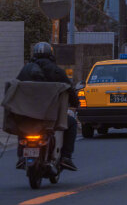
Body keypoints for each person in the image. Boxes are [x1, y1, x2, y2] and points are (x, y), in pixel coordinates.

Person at [16, 41, 79, 171]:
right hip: (51, 116)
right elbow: (70, 89)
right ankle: (66, 157)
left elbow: (16, 87)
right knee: (72, 123)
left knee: (21, 128)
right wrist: (75, 103)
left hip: (28, 114)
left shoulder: (25, 70)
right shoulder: (56, 71)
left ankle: (21, 156)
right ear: (51, 55)